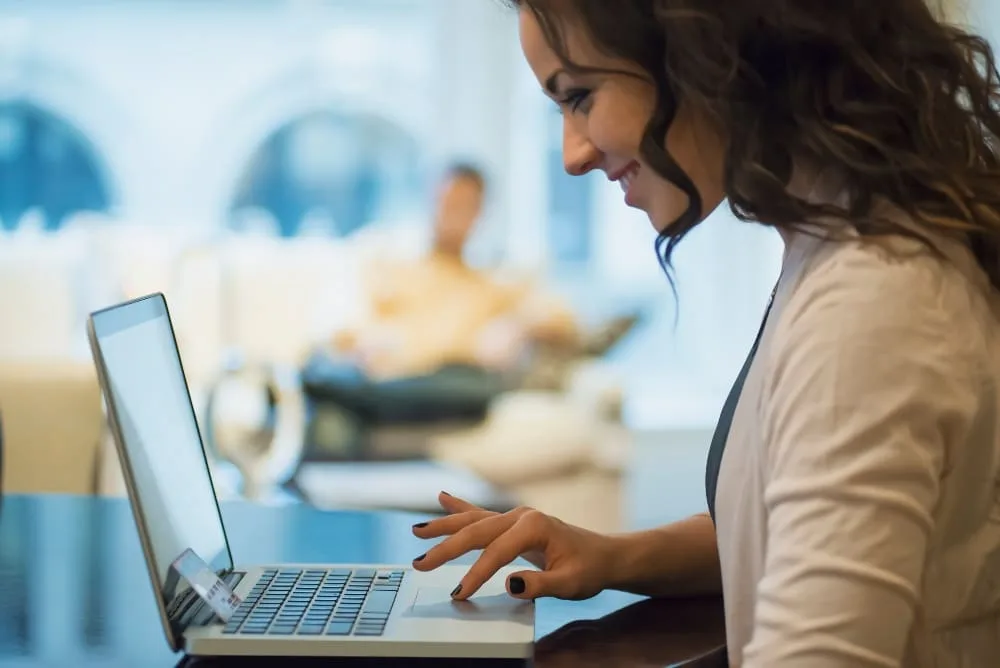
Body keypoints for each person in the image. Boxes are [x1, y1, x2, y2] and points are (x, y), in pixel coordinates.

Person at [409, 1, 1000, 666]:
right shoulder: (843, 246)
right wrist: (612, 554)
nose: (573, 154)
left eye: (580, 96)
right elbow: (808, 538)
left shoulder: (871, 299)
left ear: (704, 53)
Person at [331, 162, 577, 380]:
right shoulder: (392, 264)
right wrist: (368, 341)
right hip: (388, 380)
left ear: (479, 213)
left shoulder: (490, 284)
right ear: (432, 201)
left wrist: (517, 326)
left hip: (450, 383)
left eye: (465, 205)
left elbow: (562, 320)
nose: (453, 215)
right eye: (448, 202)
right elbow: (343, 329)